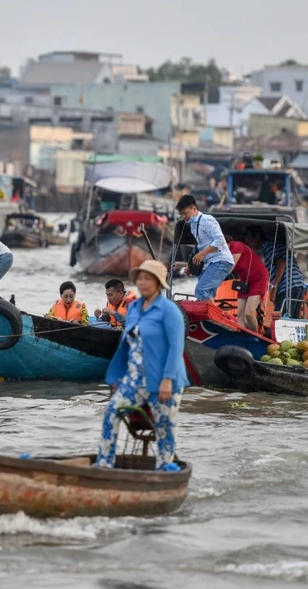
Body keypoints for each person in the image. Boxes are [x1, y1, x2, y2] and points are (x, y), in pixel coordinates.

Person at [96, 260, 187, 471]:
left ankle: (165, 467)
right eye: (140, 278)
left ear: (158, 282)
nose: (142, 282)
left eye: (148, 278)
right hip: (135, 379)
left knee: (164, 427)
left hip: (163, 379)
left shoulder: (169, 311)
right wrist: (119, 379)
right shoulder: (135, 307)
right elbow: (129, 343)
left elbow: (176, 347)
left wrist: (167, 380)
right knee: (111, 413)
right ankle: (104, 464)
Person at [176, 195, 234, 304]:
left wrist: (203, 253)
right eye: (181, 214)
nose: (184, 217)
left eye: (185, 213)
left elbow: (220, 240)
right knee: (203, 297)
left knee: (202, 290)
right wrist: (191, 266)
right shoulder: (193, 225)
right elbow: (201, 246)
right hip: (210, 263)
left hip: (220, 260)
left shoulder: (206, 220)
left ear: (194, 209)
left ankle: (215, 320)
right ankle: (209, 319)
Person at [245, 225, 306, 319]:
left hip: (288, 286)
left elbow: (281, 263)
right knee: (292, 319)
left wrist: (274, 286)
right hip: (298, 284)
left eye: (249, 240)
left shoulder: (268, 246)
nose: (248, 243)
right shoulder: (273, 245)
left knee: (279, 319)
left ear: (257, 237)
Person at [228, 236, 269, 333]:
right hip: (245, 281)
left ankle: (256, 336)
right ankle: (242, 335)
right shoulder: (222, 252)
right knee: (240, 314)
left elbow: (229, 267)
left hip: (258, 279)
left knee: (249, 313)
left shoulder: (237, 246)